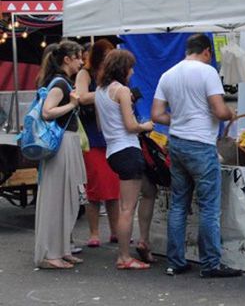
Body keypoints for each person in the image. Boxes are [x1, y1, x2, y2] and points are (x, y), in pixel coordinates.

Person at [151, 34, 242, 278]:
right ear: (206, 52)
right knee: (209, 207)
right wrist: (230, 113)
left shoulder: (167, 75)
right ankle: (211, 263)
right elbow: (219, 109)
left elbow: (157, 114)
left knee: (179, 204)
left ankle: (175, 261)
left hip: (177, 143)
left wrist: (180, 119)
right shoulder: (207, 72)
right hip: (201, 144)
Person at [95, 50, 156, 270]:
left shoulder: (100, 91)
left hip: (113, 150)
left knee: (150, 191)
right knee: (127, 208)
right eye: (130, 68)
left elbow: (101, 126)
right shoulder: (122, 90)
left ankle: (143, 240)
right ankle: (123, 256)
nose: (132, 72)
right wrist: (146, 126)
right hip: (128, 150)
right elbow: (131, 126)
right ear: (123, 68)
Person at [34, 40, 86, 269]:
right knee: (58, 198)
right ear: (67, 59)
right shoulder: (60, 84)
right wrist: (72, 105)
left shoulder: (62, 82)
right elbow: (47, 112)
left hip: (66, 142)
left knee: (66, 197)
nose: (82, 61)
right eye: (78, 57)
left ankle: (61, 248)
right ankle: (50, 252)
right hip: (62, 143)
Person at [75, 39, 120, 247]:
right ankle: (94, 233)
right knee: (94, 187)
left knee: (114, 188)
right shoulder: (85, 74)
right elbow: (82, 97)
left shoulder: (112, 76)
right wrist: (106, 95)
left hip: (111, 135)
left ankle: (116, 230)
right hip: (92, 135)